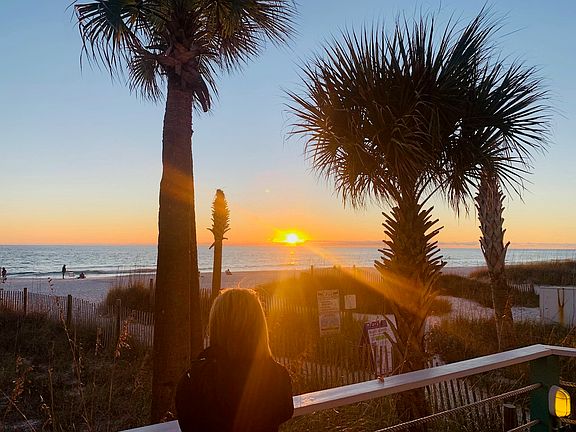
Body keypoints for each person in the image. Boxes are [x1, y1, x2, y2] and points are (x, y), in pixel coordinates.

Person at [176, 288, 293, 432]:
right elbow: (284, 412)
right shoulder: (278, 377)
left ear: (216, 325)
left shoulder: (193, 381)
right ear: (259, 327)